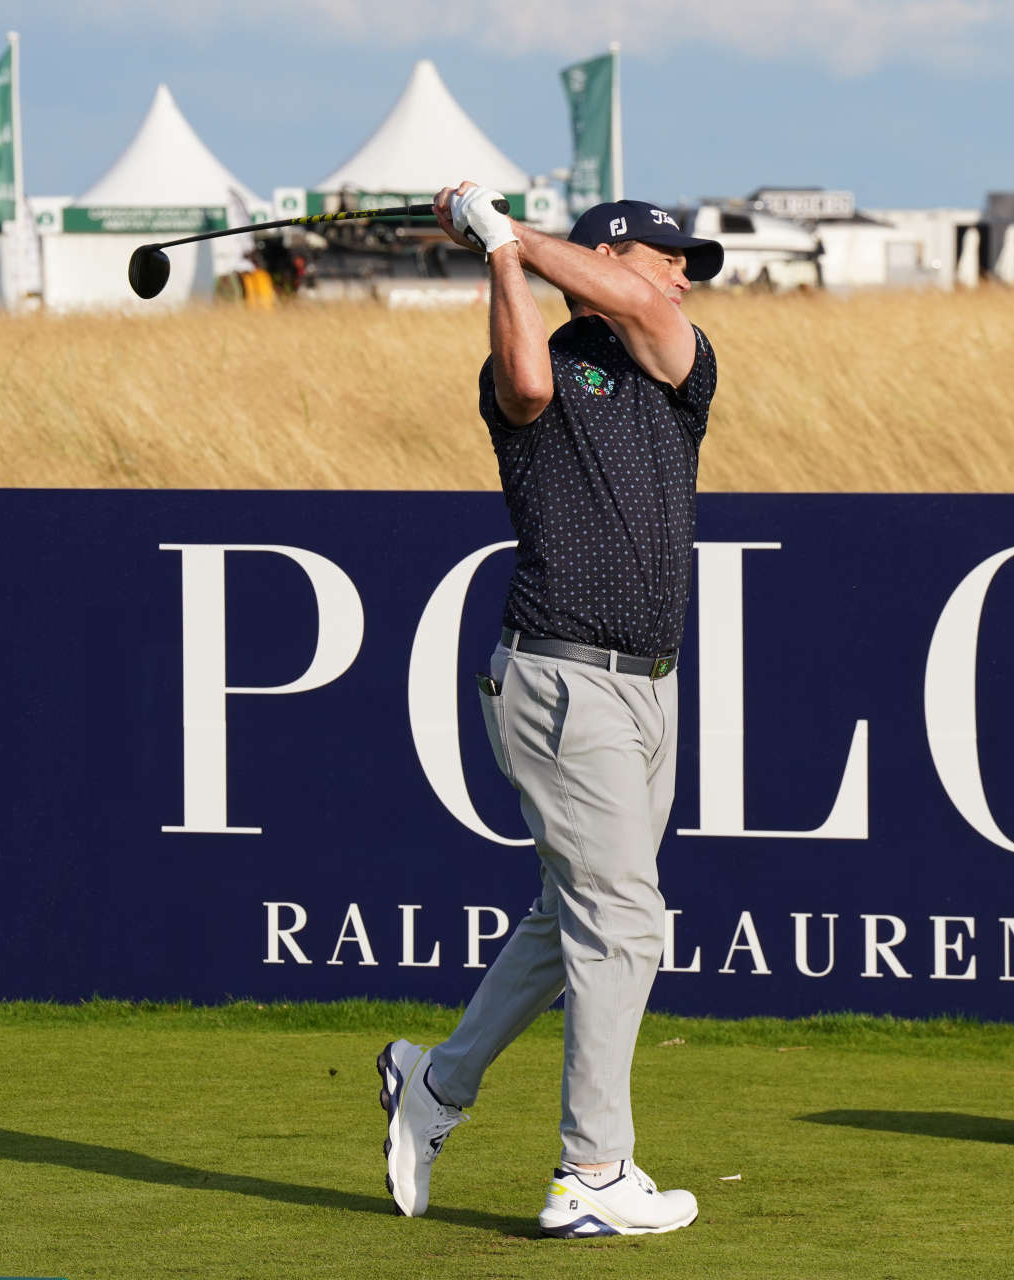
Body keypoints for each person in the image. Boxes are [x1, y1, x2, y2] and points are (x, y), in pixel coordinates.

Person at [375, 183, 728, 1235]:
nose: (680, 275)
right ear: (612, 250)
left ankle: (434, 1083)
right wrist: (500, 256)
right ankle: (591, 1171)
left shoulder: (677, 367)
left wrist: (505, 228)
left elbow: (654, 313)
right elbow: (525, 385)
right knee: (625, 919)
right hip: (560, 676)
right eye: (667, 255)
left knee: (570, 910)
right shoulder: (538, 356)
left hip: (651, 684)